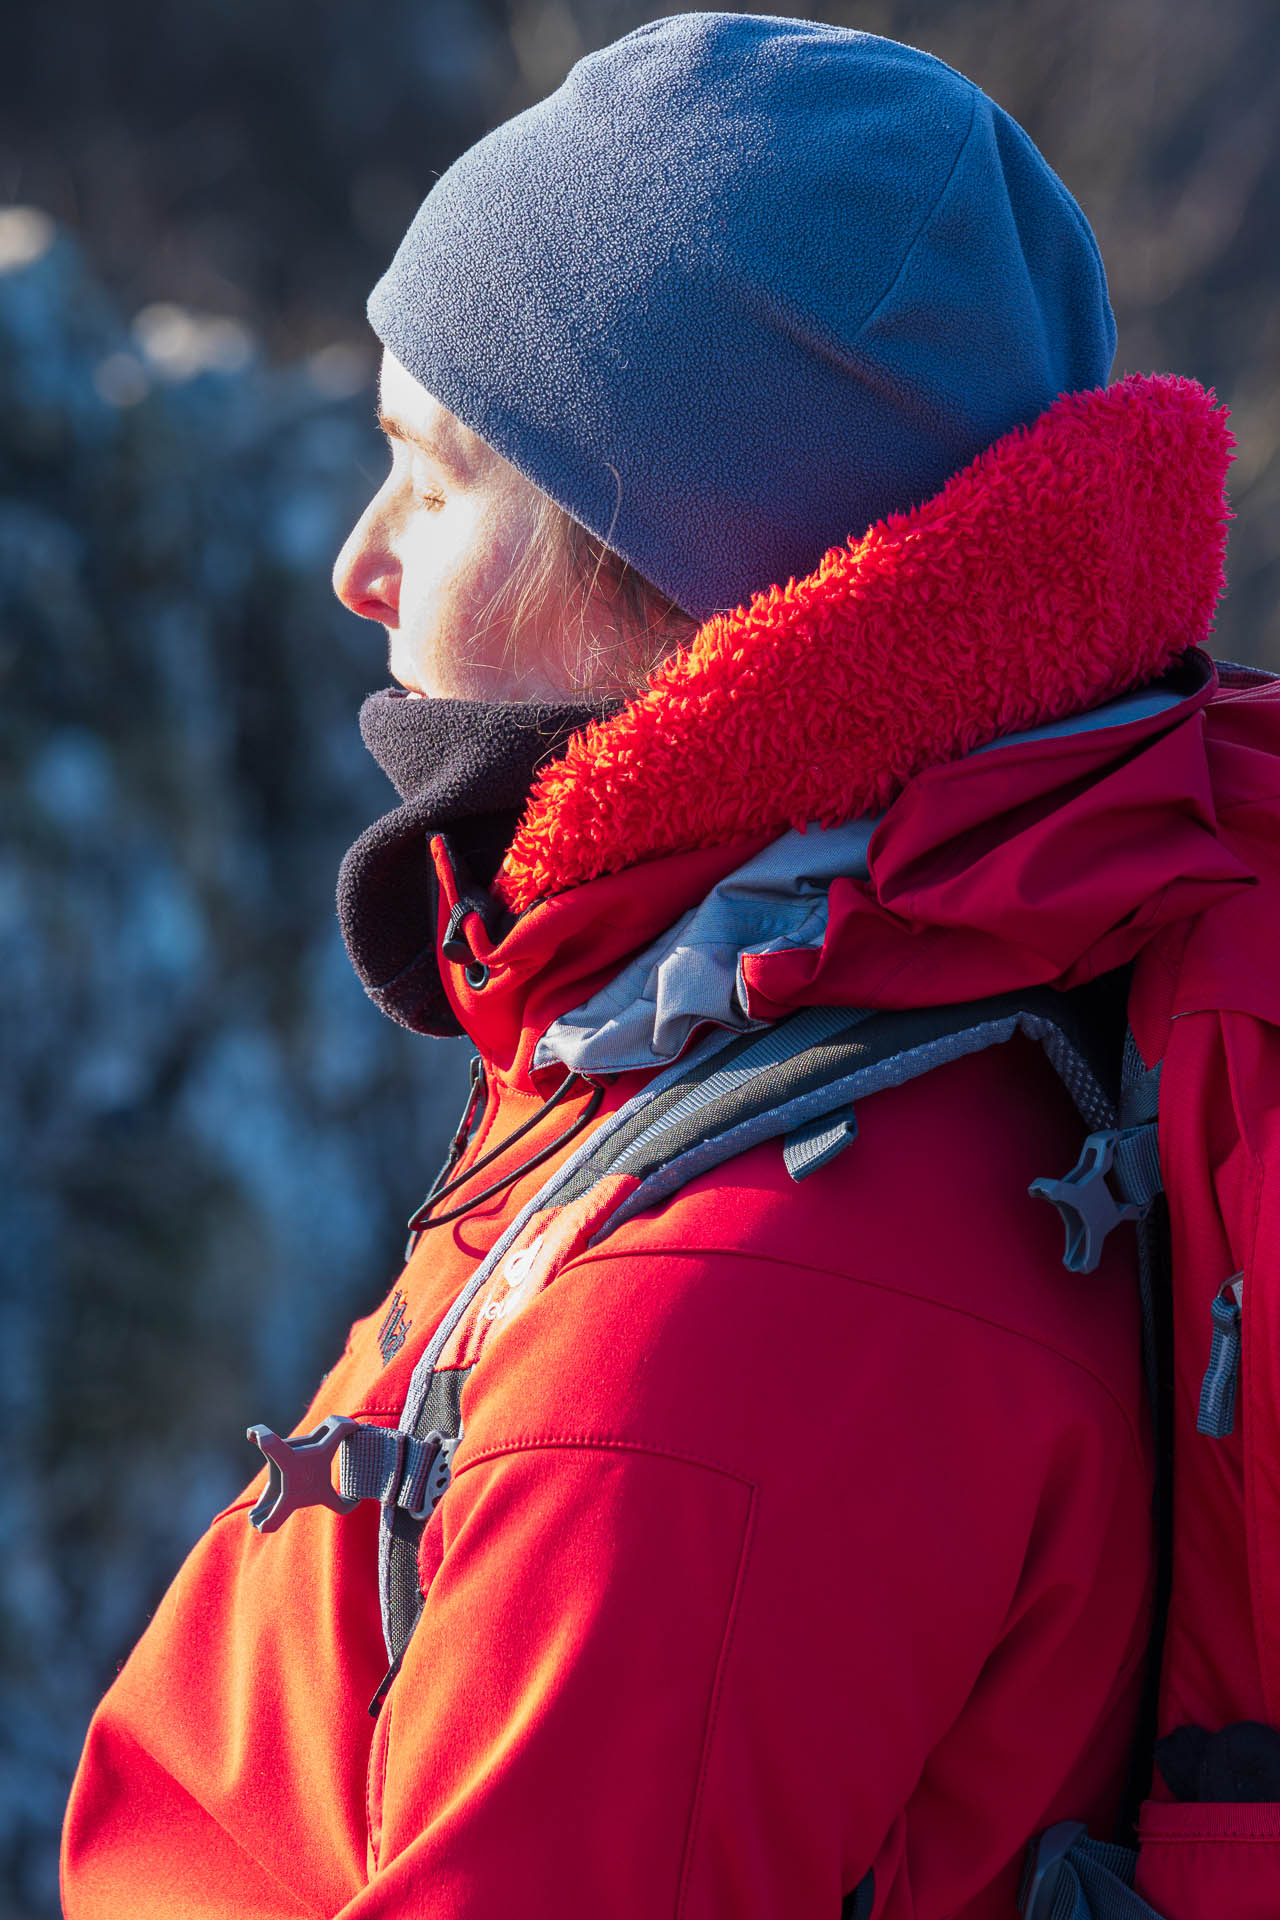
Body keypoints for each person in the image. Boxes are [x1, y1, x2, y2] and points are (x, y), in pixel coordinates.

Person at [61, 16, 1247, 1917]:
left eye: (430, 478)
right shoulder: (891, 986)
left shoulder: (744, 1307)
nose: (359, 564)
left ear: (667, 564)